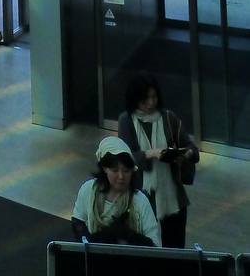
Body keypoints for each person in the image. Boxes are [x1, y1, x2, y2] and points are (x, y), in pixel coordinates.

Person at [117, 71, 199, 248]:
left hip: (173, 197)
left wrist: (185, 154)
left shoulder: (168, 117)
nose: (150, 103)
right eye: (145, 98)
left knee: (175, 250)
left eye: (154, 97)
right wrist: (150, 153)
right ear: (135, 98)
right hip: (142, 196)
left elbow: (192, 148)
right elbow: (125, 159)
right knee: (145, 248)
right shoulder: (126, 121)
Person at [72, 136, 160, 247]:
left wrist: (128, 234)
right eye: (114, 170)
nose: (121, 176)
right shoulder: (88, 190)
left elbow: (154, 245)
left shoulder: (140, 201)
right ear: (104, 168)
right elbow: (78, 221)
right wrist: (99, 238)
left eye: (126, 171)